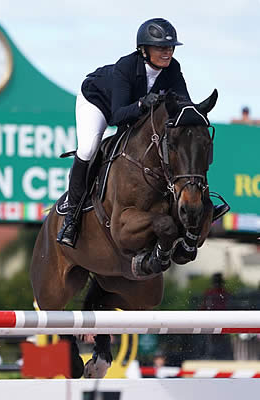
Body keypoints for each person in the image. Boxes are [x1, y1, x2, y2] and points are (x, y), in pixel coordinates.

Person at [57, 18, 229, 248]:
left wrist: (197, 112)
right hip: (99, 102)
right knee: (89, 147)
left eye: (170, 47)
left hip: (133, 109)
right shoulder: (126, 67)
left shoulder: (173, 69)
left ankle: (203, 203)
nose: (167, 52)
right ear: (144, 50)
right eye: (161, 48)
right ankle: (72, 215)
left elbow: (182, 105)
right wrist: (141, 105)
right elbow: (117, 117)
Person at [200, 273, 233, 359]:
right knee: (214, 342)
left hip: (220, 321)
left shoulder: (223, 293)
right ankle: (213, 356)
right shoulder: (222, 293)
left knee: (219, 342)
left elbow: (203, 307)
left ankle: (214, 356)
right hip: (216, 321)